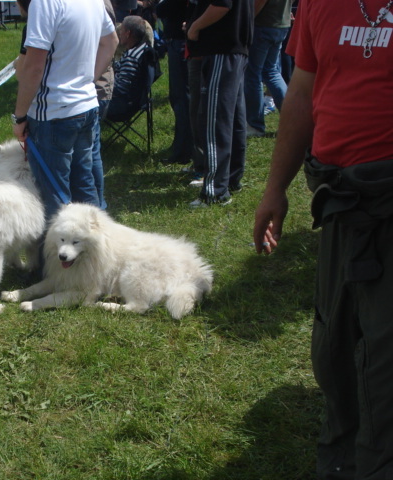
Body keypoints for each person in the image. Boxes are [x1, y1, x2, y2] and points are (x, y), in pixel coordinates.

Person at [253, 0, 393, 477]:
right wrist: (275, 189)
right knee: (332, 346)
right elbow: (303, 89)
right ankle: (339, 458)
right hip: (339, 202)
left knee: (384, 358)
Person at [12, 0, 118, 222]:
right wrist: (87, 80)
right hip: (86, 105)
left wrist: (20, 116)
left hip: (53, 113)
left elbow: (34, 66)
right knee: (86, 188)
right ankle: (96, 251)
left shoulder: (44, 3)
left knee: (55, 200)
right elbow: (111, 42)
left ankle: (54, 256)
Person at [186, 0, 253, 207]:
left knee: (216, 120)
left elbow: (222, 5)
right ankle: (230, 179)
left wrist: (195, 27)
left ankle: (215, 190)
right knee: (233, 119)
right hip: (235, 46)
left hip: (221, 48)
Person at [244, 0, 292, 138]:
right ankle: (291, 119)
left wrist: (248, 19)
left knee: (253, 75)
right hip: (281, 23)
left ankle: (255, 125)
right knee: (271, 71)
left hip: (263, 24)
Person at [157, 0, 193, 165]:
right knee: (179, 98)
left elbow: (164, 8)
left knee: (181, 99)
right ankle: (182, 146)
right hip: (177, 41)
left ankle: (184, 150)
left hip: (180, 42)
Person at [92, 0, 116, 210]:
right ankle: (98, 206)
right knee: (91, 153)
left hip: (96, 89)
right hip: (95, 88)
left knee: (90, 155)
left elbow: (111, 41)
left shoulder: (98, 5)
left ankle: (97, 207)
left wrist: (89, 79)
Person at [106, 15, 152, 121]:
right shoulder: (142, 48)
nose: (119, 34)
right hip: (133, 102)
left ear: (128, 33)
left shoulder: (132, 57)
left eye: (121, 30)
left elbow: (120, 89)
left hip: (122, 106)